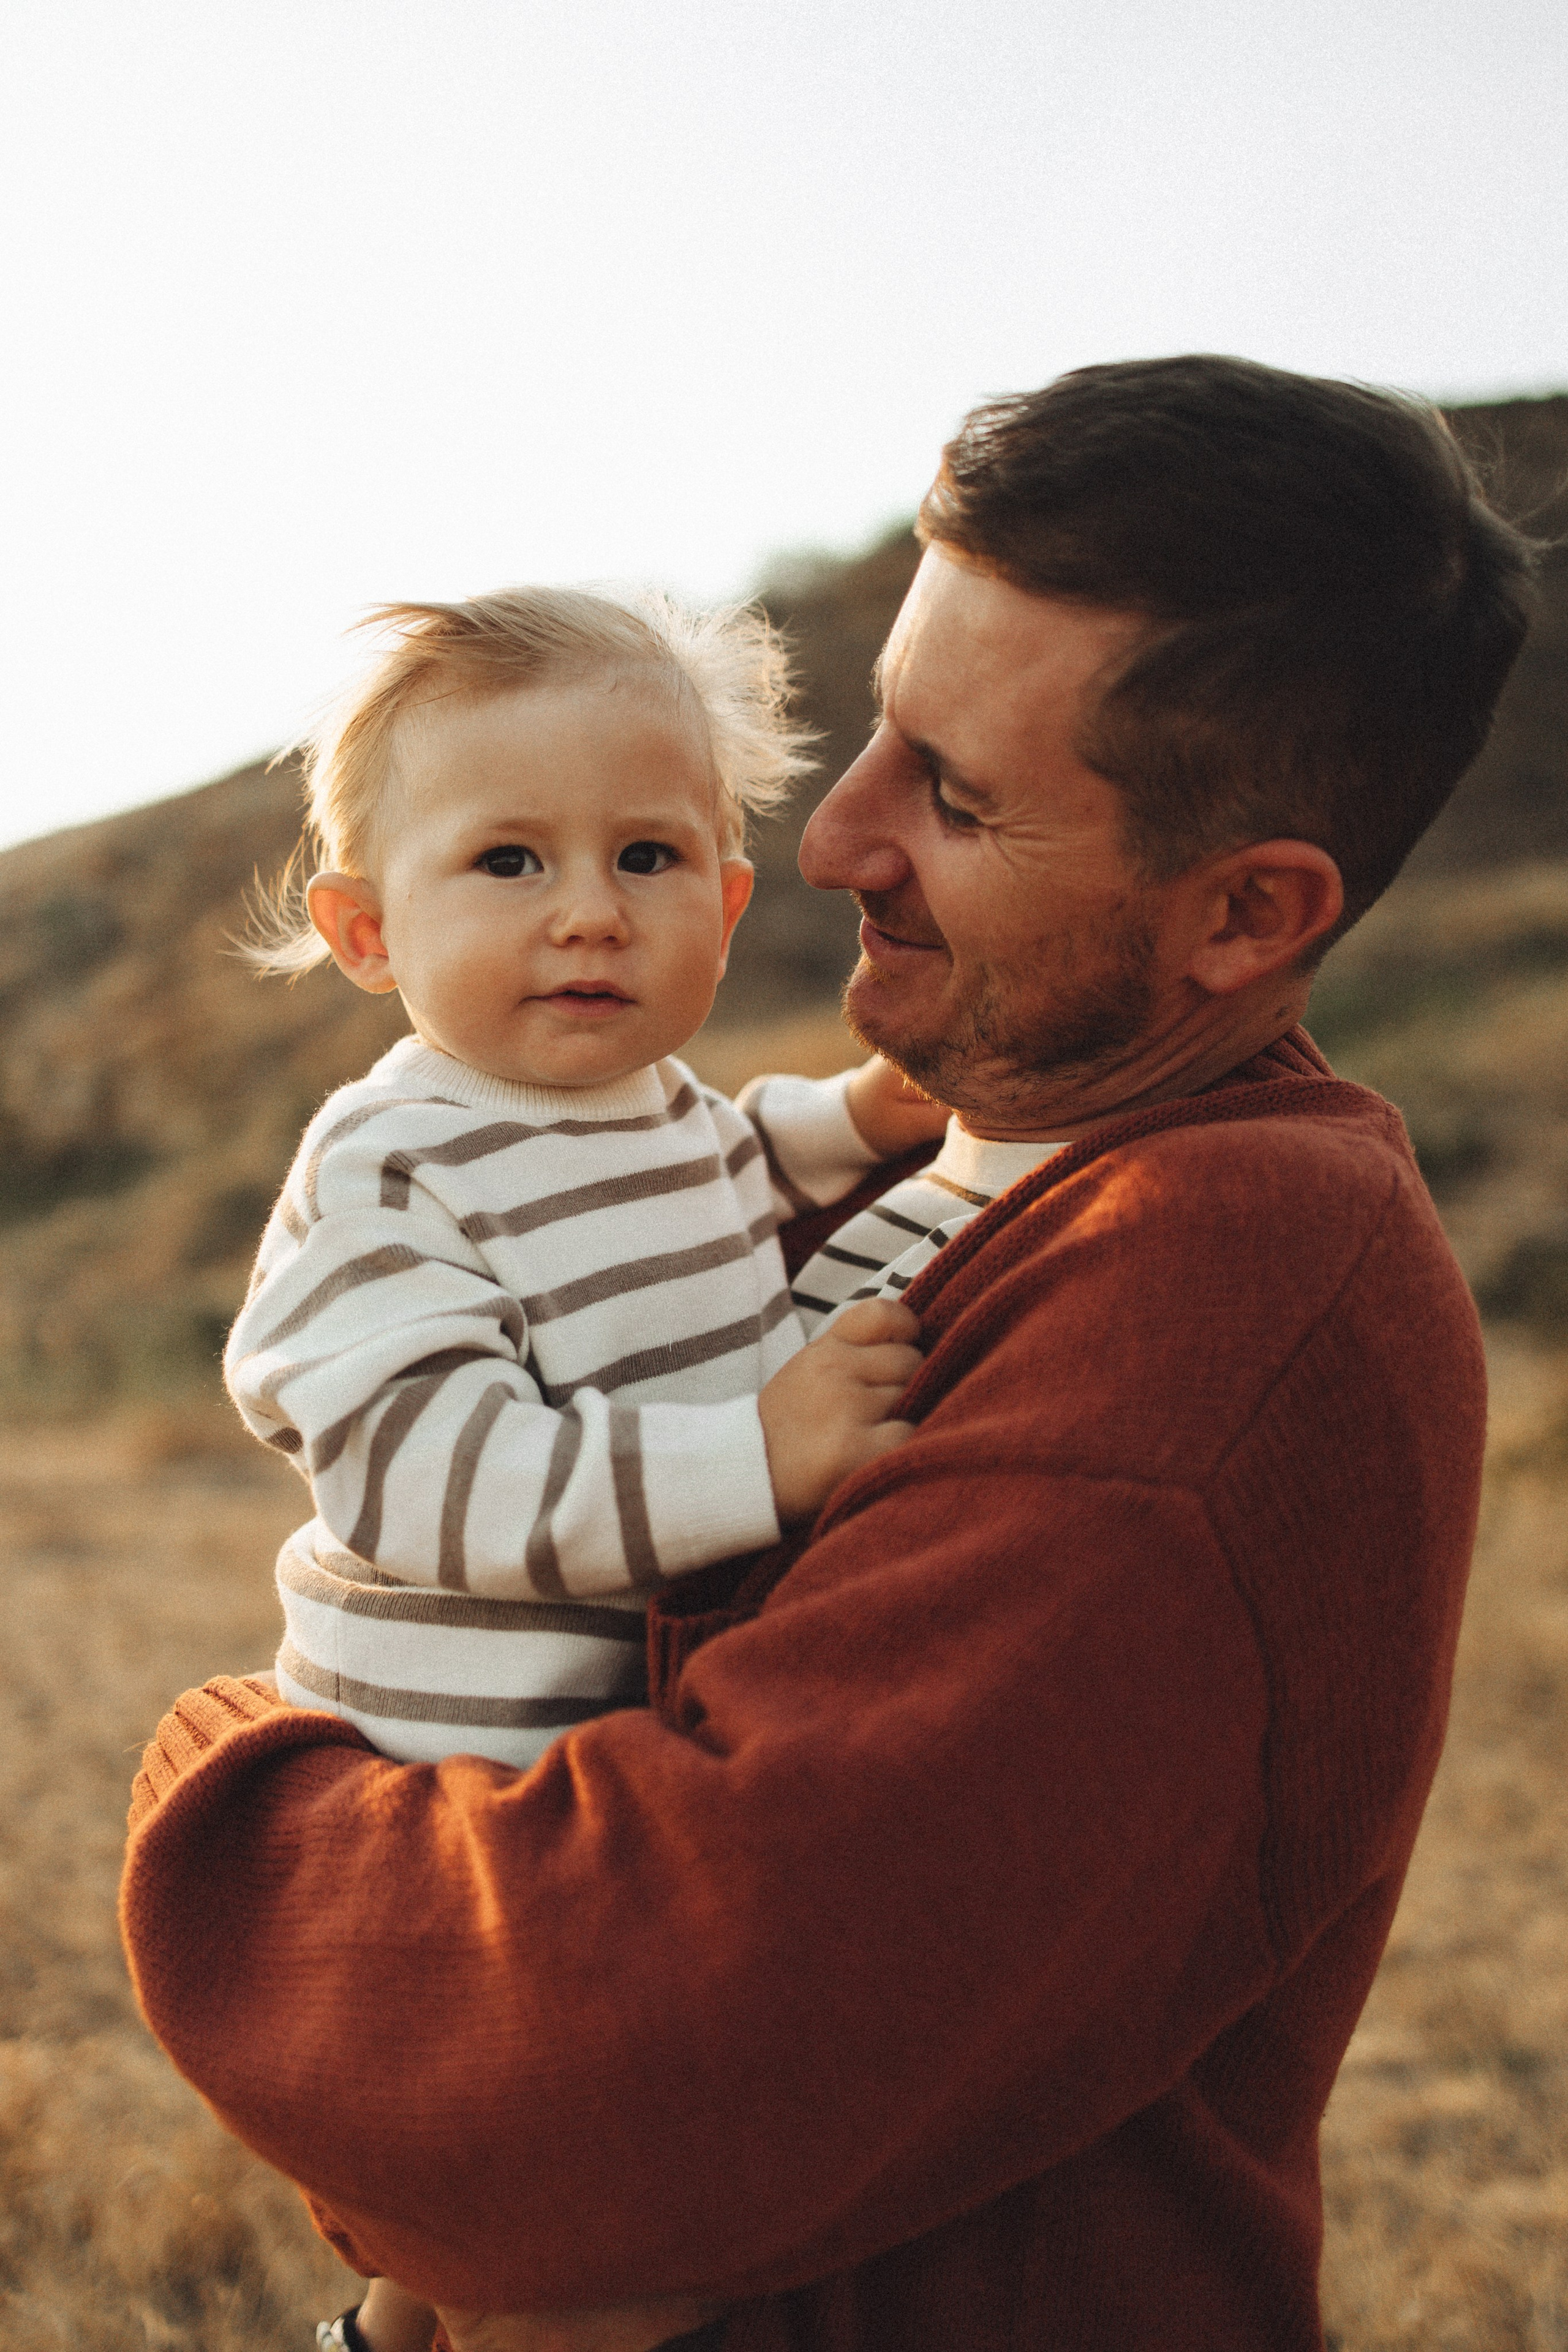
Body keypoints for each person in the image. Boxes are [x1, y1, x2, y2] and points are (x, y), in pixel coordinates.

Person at [121, 356, 1537, 2352]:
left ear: (1246, 915)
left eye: (955, 797)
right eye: (880, 730)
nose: (828, 841)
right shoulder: (985, 1150)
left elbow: (576, 2090)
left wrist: (228, 1783)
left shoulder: (1219, 1297)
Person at [221, 585, 953, 2350]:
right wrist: (750, 1458)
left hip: (594, 1756)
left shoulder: (657, 1104)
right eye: (508, 865)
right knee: (593, 2256)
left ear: (723, 897)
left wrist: (853, 1118)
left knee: (495, 2243)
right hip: (462, 1800)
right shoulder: (398, 1162)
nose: (586, 917)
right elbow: (430, 1474)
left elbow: (726, 1163)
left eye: (643, 856)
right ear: (365, 930)